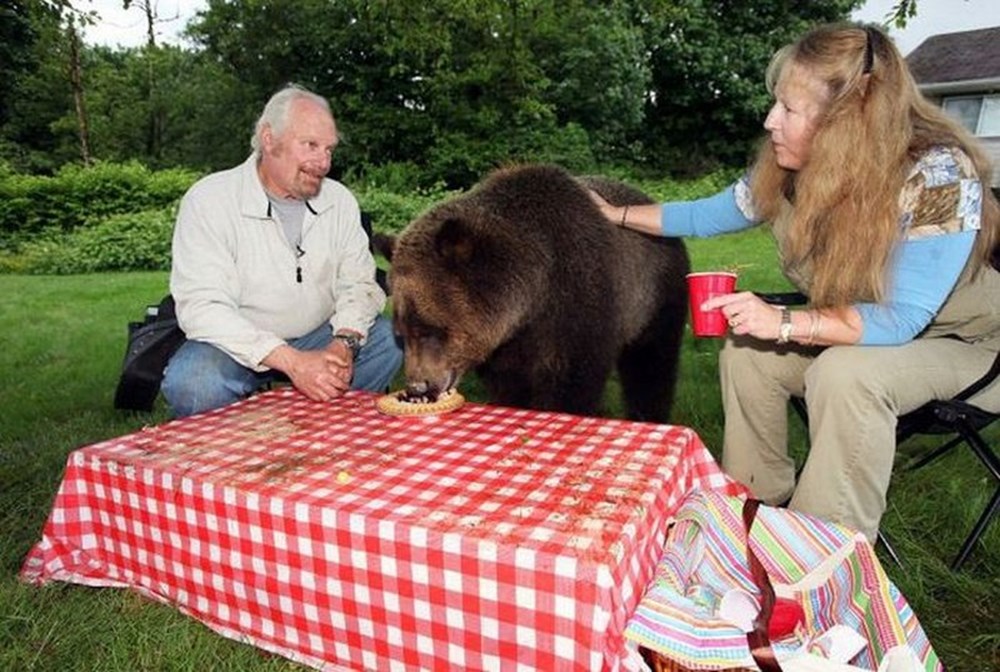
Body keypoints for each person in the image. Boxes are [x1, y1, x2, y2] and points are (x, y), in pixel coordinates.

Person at [591, 22, 1000, 542]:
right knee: (746, 350)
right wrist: (616, 215)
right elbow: (706, 214)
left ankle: (815, 557)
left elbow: (901, 318)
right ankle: (750, 515)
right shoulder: (792, 170)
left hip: (969, 345)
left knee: (848, 374)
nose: (770, 120)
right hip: (868, 332)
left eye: (788, 109)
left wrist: (784, 320)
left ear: (847, 120)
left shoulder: (940, 175)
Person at [161, 84, 403, 417]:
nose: (323, 163)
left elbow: (360, 283)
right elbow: (202, 307)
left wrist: (344, 341)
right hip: (235, 341)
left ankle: (326, 426)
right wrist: (291, 361)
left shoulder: (339, 201)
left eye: (329, 149)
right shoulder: (209, 200)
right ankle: (229, 458)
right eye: (311, 146)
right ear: (269, 139)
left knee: (390, 340)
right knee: (195, 382)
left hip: (320, 334)